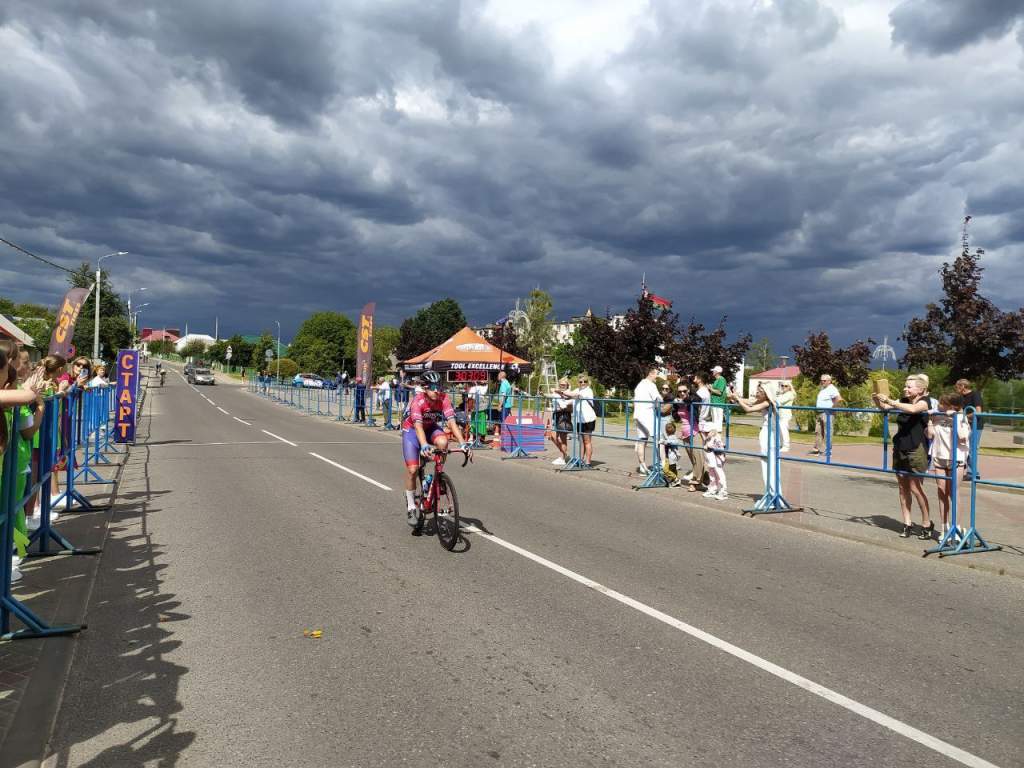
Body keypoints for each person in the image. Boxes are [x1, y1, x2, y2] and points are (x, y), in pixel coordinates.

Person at [400, 371, 470, 527]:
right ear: (425, 388)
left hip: (430, 427)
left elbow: (452, 423)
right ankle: (411, 506)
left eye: (438, 386)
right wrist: (424, 445)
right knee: (412, 470)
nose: (437, 390)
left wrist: (463, 443)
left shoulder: (444, 398)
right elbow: (417, 427)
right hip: (412, 431)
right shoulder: (418, 402)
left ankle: (437, 475)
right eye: (432, 387)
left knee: (444, 442)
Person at [875, 375, 933, 539]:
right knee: (902, 488)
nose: (905, 389)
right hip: (900, 446)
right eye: (905, 386)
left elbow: (913, 410)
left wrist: (891, 401)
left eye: (909, 387)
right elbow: (884, 408)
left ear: (920, 389)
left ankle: (926, 523)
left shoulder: (925, 401)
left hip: (916, 448)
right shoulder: (903, 400)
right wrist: (877, 398)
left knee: (916, 488)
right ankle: (907, 523)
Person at [927, 393, 968, 540]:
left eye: (942, 404)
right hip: (939, 457)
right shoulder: (937, 416)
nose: (938, 406)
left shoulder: (961, 418)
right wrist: (930, 420)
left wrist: (956, 418)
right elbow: (930, 435)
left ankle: (956, 528)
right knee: (941, 491)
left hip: (956, 458)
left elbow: (963, 437)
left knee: (953, 492)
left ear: (951, 406)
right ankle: (944, 527)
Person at [730, 383, 780, 497]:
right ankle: (771, 493)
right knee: (766, 464)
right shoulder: (763, 401)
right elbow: (750, 402)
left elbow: (748, 409)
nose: (756, 393)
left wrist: (738, 398)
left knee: (769, 464)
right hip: (766, 433)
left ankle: (773, 494)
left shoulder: (767, 402)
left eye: (759, 391)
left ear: (765, 393)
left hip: (769, 434)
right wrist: (737, 398)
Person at [562, 374, 597, 467]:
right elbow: (567, 397)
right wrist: (561, 391)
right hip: (579, 419)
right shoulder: (578, 389)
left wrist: (563, 391)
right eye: (580, 382)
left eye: (585, 381)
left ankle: (588, 462)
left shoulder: (588, 391)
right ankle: (581, 460)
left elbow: (575, 395)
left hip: (588, 419)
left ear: (588, 382)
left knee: (587, 441)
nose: (582, 383)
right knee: (580, 440)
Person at [632, 367, 661, 474]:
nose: (657, 376)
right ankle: (662, 464)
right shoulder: (651, 385)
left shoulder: (639, 385)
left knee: (642, 440)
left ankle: (642, 466)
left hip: (638, 415)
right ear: (651, 374)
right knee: (659, 437)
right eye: (656, 374)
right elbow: (658, 399)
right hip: (647, 414)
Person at [955, 379, 983, 480]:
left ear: (962, 386)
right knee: (965, 448)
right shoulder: (961, 397)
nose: (956, 389)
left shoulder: (975, 394)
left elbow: (978, 411)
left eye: (957, 386)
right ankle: (971, 472)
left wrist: (964, 417)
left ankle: (973, 473)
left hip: (975, 425)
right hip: (966, 425)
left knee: (971, 449)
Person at [810, 374, 843, 456]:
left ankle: (828, 451)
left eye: (824, 381)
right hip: (819, 413)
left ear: (829, 381)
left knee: (827, 432)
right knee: (818, 431)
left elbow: (839, 399)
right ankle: (816, 449)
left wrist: (832, 408)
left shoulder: (832, 388)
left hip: (827, 413)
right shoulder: (823, 388)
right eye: (821, 380)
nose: (822, 382)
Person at [548, 377, 573, 465]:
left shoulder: (569, 394)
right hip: (556, 415)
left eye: (564, 384)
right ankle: (565, 455)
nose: (562, 386)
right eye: (561, 384)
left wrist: (563, 404)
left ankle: (563, 458)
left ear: (567, 385)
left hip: (564, 415)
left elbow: (568, 406)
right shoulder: (557, 392)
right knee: (552, 436)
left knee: (563, 439)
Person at [702, 427, 728, 500]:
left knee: (719, 474)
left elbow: (720, 447)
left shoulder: (715, 435)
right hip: (711, 460)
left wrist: (709, 446)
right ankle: (713, 489)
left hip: (717, 459)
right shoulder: (707, 436)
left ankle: (723, 492)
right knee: (712, 475)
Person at [494, 370, 513, 445]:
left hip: (504, 406)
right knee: (505, 421)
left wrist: (499, 405)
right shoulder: (507, 383)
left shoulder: (503, 384)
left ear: (501, 376)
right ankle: (505, 438)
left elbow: (503, 395)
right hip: (508, 405)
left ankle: (504, 439)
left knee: (503, 422)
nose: (497, 376)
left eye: (498, 375)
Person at [775, 381, 795, 453]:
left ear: (789, 387)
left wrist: (777, 396)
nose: (783, 387)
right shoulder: (782, 394)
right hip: (780, 415)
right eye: (782, 386)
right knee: (780, 430)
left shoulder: (790, 394)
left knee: (784, 430)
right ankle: (781, 445)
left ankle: (786, 446)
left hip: (786, 415)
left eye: (786, 386)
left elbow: (780, 401)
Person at [662, 421, 682, 487]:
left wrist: (666, 442)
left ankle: (676, 479)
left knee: (666, 470)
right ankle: (675, 482)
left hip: (671, 456)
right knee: (673, 469)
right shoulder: (669, 437)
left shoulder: (673, 437)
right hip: (669, 456)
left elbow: (675, 442)